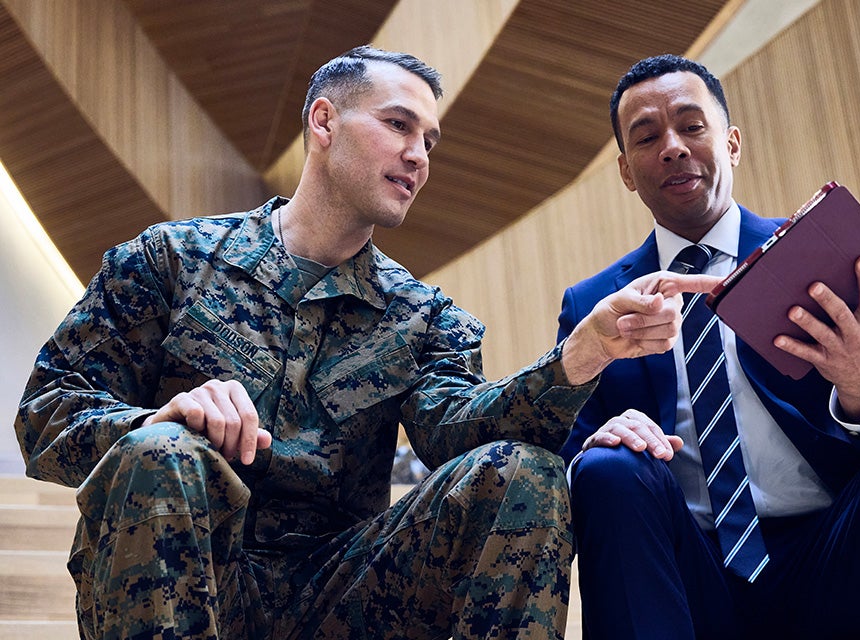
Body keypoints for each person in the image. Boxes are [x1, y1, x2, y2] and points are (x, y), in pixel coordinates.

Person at [14, 46, 714, 640]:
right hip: (181, 574)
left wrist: (583, 352)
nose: (418, 156)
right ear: (324, 121)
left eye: (430, 142)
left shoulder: (423, 315)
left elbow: (462, 438)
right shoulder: (170, 260)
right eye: (398, 125)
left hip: (343, 596)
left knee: (521, 470)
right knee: (158, 451)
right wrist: (156, 422)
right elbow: (45, 416)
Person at [558, 54, 860, 639]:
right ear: (626, 170)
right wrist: (608, 435)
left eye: (691, 127)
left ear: (732, 143)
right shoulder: (596, 303)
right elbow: (570, 458)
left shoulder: (816, 250)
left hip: (839, 553)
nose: (672, 146)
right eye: (647, 137)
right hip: (690, 572)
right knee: (605, 468)